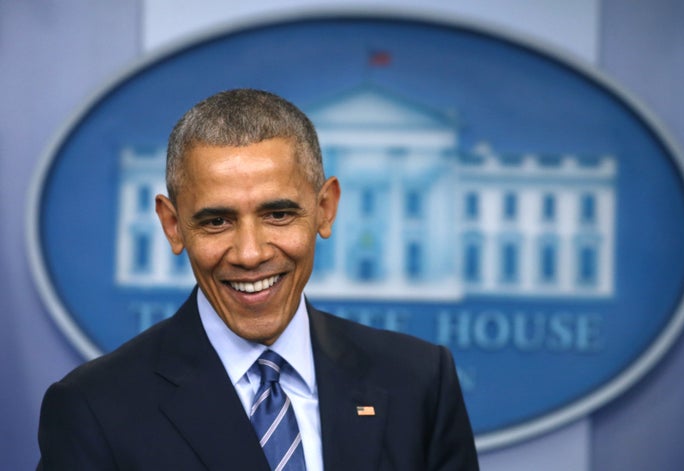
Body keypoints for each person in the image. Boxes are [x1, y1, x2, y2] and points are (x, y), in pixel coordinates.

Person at [36, 89, 479, 470]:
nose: (250, 253)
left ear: (325, 208)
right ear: (172, 226)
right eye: (216, 222)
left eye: (278, 214)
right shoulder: (93, 407)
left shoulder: (419, 380)